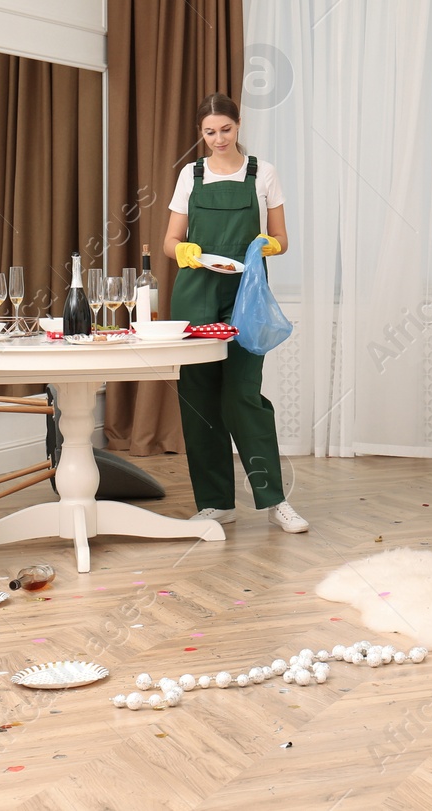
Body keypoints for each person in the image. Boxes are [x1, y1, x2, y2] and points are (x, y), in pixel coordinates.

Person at [162, 92, 307, 533]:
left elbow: (281, 237)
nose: (218, 138)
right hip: (195, 295)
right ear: (200, 133)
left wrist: (267, 244)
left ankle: (274, 499)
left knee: (242, 395)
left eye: (225, 129)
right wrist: (185, 252)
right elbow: (170, 241)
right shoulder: (191, 174)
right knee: (199, 400)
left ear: (238, 125)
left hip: (248, 294)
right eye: (210, 132)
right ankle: (215, 503)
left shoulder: (263, 173)